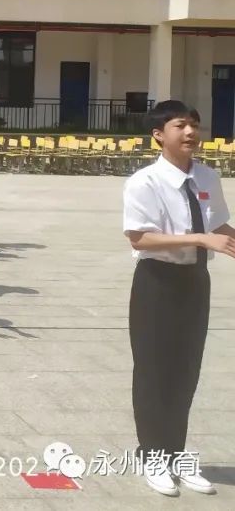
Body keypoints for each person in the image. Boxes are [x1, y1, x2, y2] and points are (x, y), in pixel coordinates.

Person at [123, 100, 235, 497]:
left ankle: (175, 453)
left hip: (195, 281)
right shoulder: (144, 182)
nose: (190, 133)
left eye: (194, 126)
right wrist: (200, 238)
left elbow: (217, 222)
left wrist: (220, 236)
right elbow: (139, 237)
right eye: (180, 126)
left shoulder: (207, 175)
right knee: (154, 370)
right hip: (156, 282)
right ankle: (151, 455)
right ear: (158, 134)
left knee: (186, 371)